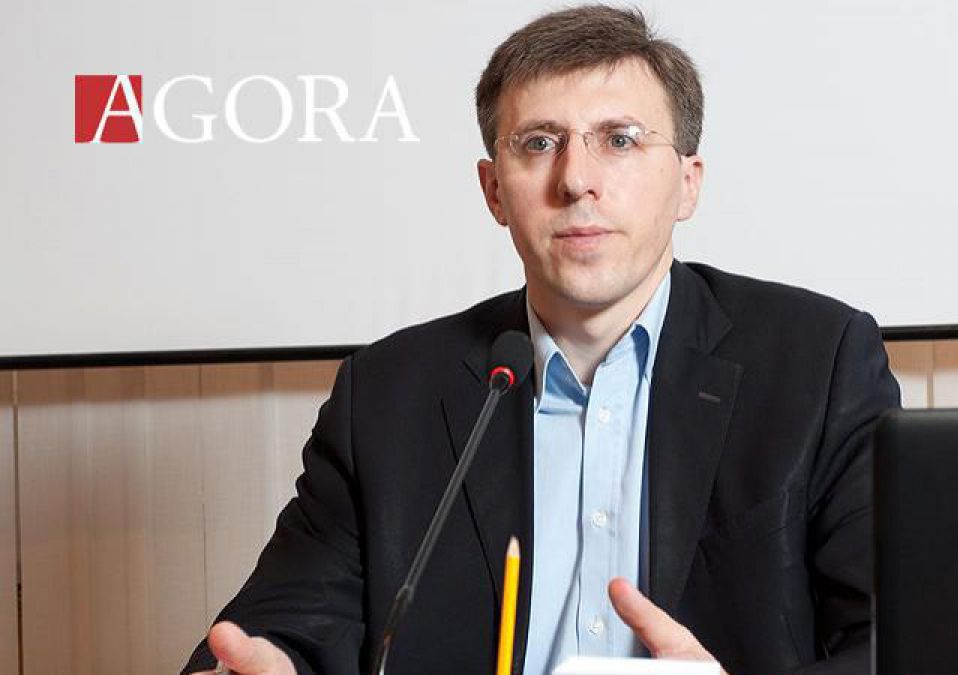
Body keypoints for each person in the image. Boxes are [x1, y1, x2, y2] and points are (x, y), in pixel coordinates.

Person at [183, 5, 899, 674]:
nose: (577, 180)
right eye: (539, 143)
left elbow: (899, 640)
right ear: (494, 190)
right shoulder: (385, 397)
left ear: (688, 183)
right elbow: (283, 627)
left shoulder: (819, 364)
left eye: (619, 140)